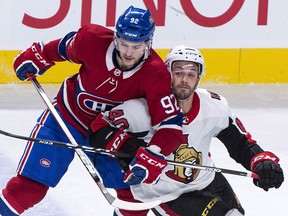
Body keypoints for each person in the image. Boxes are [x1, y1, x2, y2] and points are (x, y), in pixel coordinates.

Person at [0, 6, 184, 215]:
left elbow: (170, 124)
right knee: (28, 188)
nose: (128, 52)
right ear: (115, 37)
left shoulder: (156, 74)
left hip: (111, 134)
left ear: (148, 42)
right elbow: (60, 49)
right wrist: (38, 56)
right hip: (67, 118)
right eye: (123, 44)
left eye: (136, 46)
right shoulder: (92, 39)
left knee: (133, 202)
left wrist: (154, 153)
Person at [89, 45, 284, 215]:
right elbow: (99, 127)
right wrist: (130, 147)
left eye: (191, 74)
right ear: (167, 74)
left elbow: (241, 143)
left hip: (207, 179)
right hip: (166, 192)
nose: (184, 79)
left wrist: (261, 162)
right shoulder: (143, 109)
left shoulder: (214, 106)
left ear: (199, 78)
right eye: (179, 72)